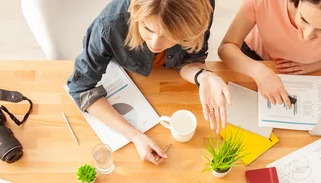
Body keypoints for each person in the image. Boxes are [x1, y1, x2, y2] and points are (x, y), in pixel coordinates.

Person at [67, 0, 231, 165]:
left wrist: (203, 76)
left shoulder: (200, 9)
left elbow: (191, 58)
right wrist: (135, 136)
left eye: (170, 35)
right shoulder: (110, 24)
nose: (155, 44)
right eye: (147, 28)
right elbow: (81, 89)